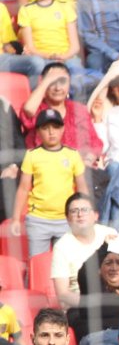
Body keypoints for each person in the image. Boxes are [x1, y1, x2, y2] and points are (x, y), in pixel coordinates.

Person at [11, 108, 88, 256]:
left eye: (56, 127)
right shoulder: (32, 155)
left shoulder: (72, 155)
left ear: (63, 129)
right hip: (38, 219)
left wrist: (85, 211)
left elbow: (82, 187)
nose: (51, 132)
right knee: (36, 263)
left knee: (67, 264)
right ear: (38, 132)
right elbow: (23, 188)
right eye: (45, 128)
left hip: (66, 218)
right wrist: (15, 218)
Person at [51, 193, 116, 309]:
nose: (80, 215)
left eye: (85, 210)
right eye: (74, 211)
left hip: (113, 300)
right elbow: (63, 294)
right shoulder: (61, 247)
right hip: (81, 307)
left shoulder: (109, 234)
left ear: (96, 215)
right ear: (67, 219)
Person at [16, 0, 87, 97]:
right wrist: (50, 56)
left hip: (66, 56)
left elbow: (75, 47)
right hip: (42, 57)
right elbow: (30, 48)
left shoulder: (65, 7)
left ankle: (77, 110)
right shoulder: (26, 10)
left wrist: (64, 57)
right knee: (39, 67)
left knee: (77, 75)